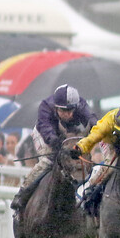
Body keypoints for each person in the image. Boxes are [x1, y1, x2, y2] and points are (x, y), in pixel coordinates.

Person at [11, 84, 97, 212]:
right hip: (45, 134)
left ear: (76, 107)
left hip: (70, 134)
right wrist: (56, 143)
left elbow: (93, 121)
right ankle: (22, 193)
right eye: (62, 111)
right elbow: (46, 129)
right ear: (56, 107)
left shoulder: (81, 105)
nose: (67, 114)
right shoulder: (45, 107)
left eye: (69, 111)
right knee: (49, 161)